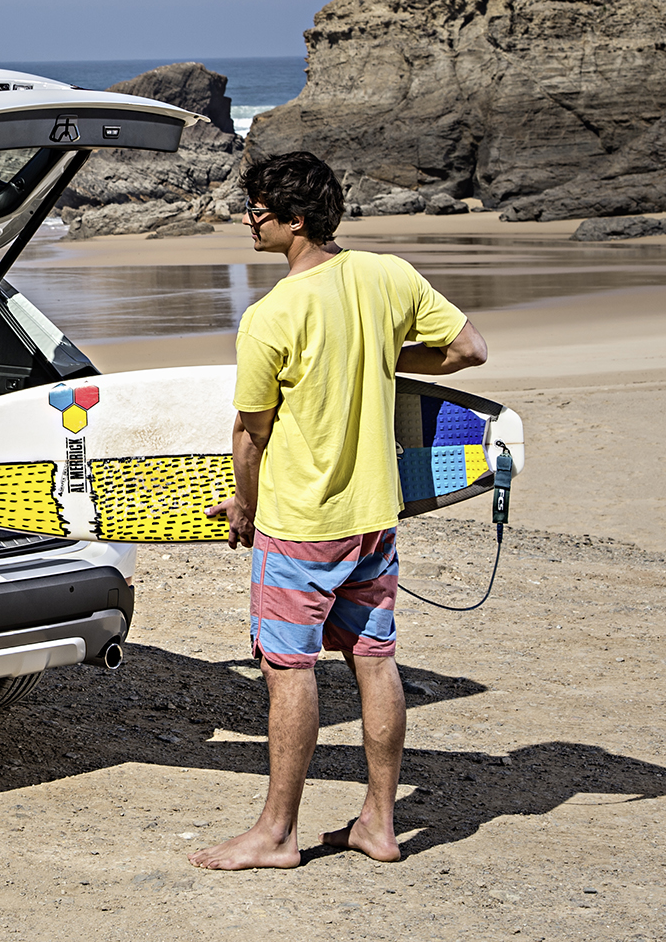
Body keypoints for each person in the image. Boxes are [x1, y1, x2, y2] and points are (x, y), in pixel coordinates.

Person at [191, 152, 488, 871]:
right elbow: (469, 350)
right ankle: (379, 826)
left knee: (288, 670)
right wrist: (382, 356)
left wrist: (244, 508)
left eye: (256, 210)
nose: (245, 219)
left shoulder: (271, 316)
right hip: (373, 520)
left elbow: (251, 433)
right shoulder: (389, 276)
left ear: (294, 221)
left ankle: (277, 834)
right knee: (374, 660)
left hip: (299, 528)